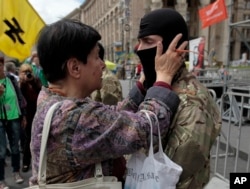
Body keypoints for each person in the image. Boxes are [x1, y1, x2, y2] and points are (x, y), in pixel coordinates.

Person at [29, 19, 187, 186]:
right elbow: (144, 129)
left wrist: (141, 85)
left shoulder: (51, 100)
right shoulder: (73, 116)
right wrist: (164, 77)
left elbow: (110, 119)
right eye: (97, 57)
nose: (103, 65)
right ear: (75, 68)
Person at [136, 8, 221, 189]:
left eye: (147, 41)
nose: (139, 49)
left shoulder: (193, 102)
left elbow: (174, 174)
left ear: (174, 47)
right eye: (139, 41)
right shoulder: (154, 88)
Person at [0, 56, 26, 189]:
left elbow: (19, 97)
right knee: (1, 151)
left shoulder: (10, 80)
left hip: (13, 117)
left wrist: (23, 115)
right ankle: (1, 180)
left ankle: (16, 172)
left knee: (15, 147)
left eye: (0, 65)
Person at [18, 63, 42, 173]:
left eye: (29, 71)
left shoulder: (35, 80)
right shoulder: (19, 84)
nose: (28, 74)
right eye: (25, 72)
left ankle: (39, 162)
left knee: (39, 138)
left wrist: (32, 81)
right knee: (28, 139)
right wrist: (23, 82)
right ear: (20, 73)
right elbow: (20, 99)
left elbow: (40, 92)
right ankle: (26, 162)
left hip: (37, 112)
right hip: (27, 114)